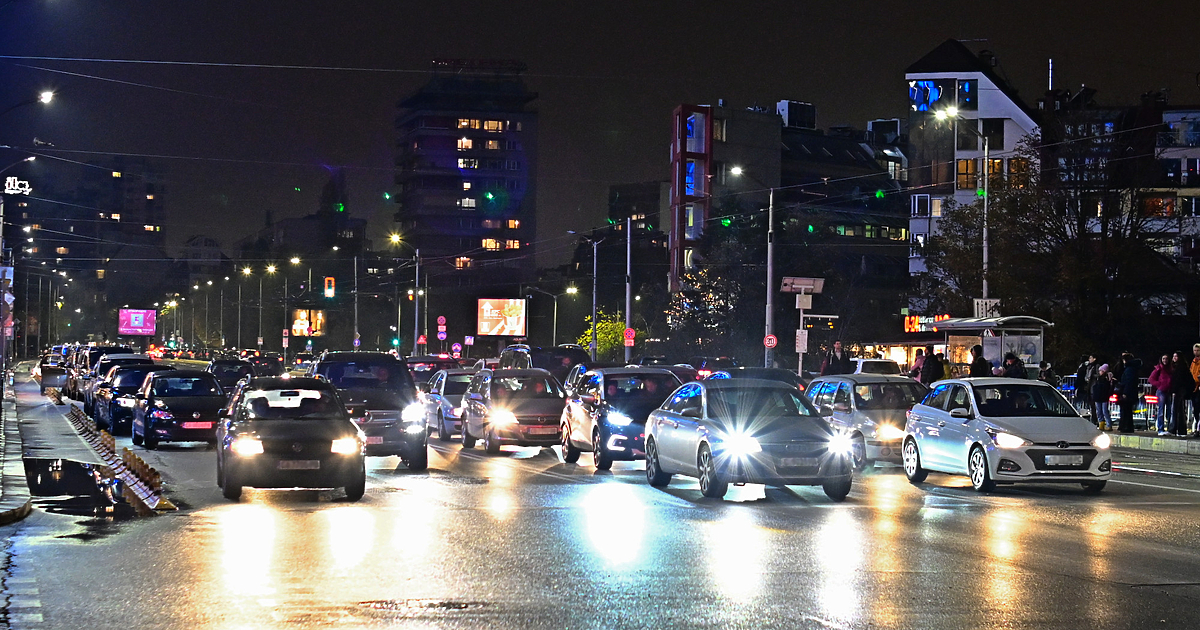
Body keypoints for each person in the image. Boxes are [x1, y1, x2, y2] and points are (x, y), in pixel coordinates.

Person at [1115, 352, 1141, 434]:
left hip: (1128, 393)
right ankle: (1126, 426)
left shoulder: (1129, 369)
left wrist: (1125, 392)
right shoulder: (1132, 368)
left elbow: (1129, 382)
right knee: (1127, 410)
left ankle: (1127, 426)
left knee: (1126, 410)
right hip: (1131, 392)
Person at [1149, 354, 1173, 436]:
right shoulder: (1158, 369)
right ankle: (1160, 429)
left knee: (1169, 411)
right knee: (1161, 411)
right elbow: (1151, 379)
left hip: (1168, 391)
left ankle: (1169, 429)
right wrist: (1159, 384)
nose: (1165, 360)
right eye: (1163, 358)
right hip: (1161, 391)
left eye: (1166, 358)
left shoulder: (1170, 369)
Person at [1170, 351, 1194, 436]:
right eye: (1173, 356)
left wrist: (1174, 391)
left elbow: (1178, 381)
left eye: (1176, 356)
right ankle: (1179, 429)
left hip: (1179, 390)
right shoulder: (1179, 367)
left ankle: (1177, 429)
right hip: (1180, 390)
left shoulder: (1180, 368)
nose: (1174, 358)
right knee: (1179, 409)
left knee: (1178, 410)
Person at [1091, 364, 1113, 430]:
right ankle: (1102, 423)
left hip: (1103, 397)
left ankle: (1107, 424)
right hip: (1099, 397)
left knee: (1104, 411)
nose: (1099, 372)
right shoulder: (1098, 378)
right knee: (1099, 411)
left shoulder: (1106, 379)